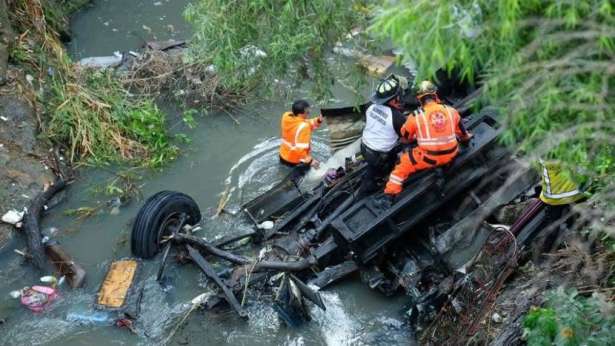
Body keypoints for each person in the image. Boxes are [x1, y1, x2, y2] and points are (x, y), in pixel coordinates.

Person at [384, 80, 472, 197]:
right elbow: (463, 133)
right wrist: (466, 138)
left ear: (420, 99)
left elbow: (405, 138)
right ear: (435, 95)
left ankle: (390, 194)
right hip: (452, 153)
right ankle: (442, 169)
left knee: (402, 165)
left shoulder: (415, 116)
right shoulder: (451, 111)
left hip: (429, 159)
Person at [359, 75, 407, 195]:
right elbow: (405, 139)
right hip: (378, 156)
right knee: (396, 154)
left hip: (364, 147)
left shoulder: (369, 106)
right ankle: (373, 184)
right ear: (393, 99)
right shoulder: (398, 118)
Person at [279, 100, 323, 175]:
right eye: (307, 112)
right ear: (300, 114)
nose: (309, 114)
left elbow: (304, 122)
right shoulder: (304, 127)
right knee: (301, 180)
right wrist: (311, 161)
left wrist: (318, 120)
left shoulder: (286, 116)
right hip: (296, 161)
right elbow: (300, 150)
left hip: (283, 156)